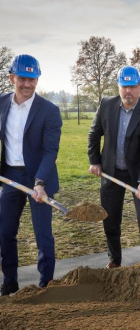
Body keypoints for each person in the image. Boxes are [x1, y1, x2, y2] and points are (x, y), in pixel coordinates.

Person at [0, 54, 62, 295]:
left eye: (32, 79)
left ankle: (46, 283)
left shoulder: (49, 110)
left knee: (43, 233)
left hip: (39, 177)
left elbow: (50, 150)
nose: (27, 84)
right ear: (12, 77)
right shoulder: (1, 103)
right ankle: (10, 282)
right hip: (10, 177)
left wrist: (40, 182)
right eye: (23, 79)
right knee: (5, 231)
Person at [88, 66, 140, 268]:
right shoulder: (106, 105)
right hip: (111, 171)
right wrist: (94, 161)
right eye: (124, 86)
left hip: (139, 174)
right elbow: (94, 134)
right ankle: (114, 259)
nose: (128, 91)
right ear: (119, 87)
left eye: (133, 87)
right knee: (110, 217)